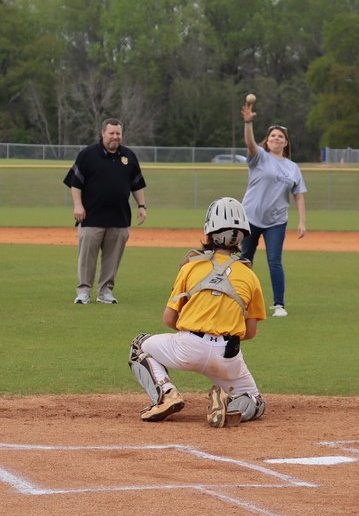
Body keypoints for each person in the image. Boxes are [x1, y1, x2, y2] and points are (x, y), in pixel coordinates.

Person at [129, 198, 267, 427]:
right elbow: (250, 332)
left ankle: (165, 394)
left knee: (139, 345)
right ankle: (228, 405)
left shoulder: (191, 266)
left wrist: (195, 329)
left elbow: (168, 319)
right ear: (243, 235)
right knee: (256, 401)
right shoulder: (250, 276)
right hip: (228, 355)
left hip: (188, 346)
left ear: (209, 231)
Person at [63, 118, 147, 305]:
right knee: (86, 258)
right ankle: (84, 291)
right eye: (111, 133)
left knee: (112, 259)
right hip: (91, 217)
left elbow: (137, 184)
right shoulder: (87, 154)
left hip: (119, 218)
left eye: (118, 133)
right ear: (103, 133)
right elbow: (75, 184)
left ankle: (105, 292)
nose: (115, 137)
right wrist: (78, 205)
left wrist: (141, 206)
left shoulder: (129, 156)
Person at [239, 102, 307, 318]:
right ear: (267, 141)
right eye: (272, 136)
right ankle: (240, 300)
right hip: (250, 216)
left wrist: (302, 221)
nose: (276, 138)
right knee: (244, 259)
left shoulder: (292, 167)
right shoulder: (259, 156)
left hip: (276, 220)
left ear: (286, 142)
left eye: (280, 136)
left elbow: (298, 195)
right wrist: (248, 122)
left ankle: (279, 304)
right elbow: (249, 142)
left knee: (274, 261)